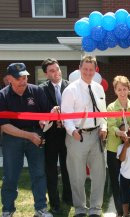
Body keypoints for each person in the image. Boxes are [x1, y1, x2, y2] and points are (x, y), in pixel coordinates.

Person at [0, 63, 53, 217]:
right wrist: (30, 136)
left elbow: (45, 114)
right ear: (9, 79)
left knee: (38, 174)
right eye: (19, 78)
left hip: (35, 135)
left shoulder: (36, 91)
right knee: (10, 175)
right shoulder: (2, 95)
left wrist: (44, 121)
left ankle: (40, 209)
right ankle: (8, 210)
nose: (23, 81)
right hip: (12, 138)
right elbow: (4, 126)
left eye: (25, 77)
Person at [61, 55, 107, 217]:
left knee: (99, 175)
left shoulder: (99, 88)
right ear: (80, 68)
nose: (88, 72)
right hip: (77, 136)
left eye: (91, 69)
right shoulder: (70, 90)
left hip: (96, 136)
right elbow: (65, 117)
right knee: (77, 176)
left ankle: (96, 209)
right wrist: (72, 132)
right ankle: (80, 209)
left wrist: (104, 127)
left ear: (95, 70)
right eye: (85, 69)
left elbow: (103, 113)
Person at [106, 75, 130, 217]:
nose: (122, 92)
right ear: (115, 91)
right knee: (116, 181)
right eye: (119, 89)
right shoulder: (110, 107)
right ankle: (120, 210)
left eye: (125, 89)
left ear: (129, 89)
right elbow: (111, 126)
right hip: (114, 149)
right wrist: (120, 133)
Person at [39, 58, 72, 214]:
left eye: (57, 69)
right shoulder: (41, 89)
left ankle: (68, 197)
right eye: (51, 70)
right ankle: (55, 203)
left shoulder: (70, 87)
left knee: (67, 168)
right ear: (46, 74)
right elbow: (39, 113)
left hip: (68, 134)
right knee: (51, 170)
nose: (56, 73)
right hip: (50, 136)